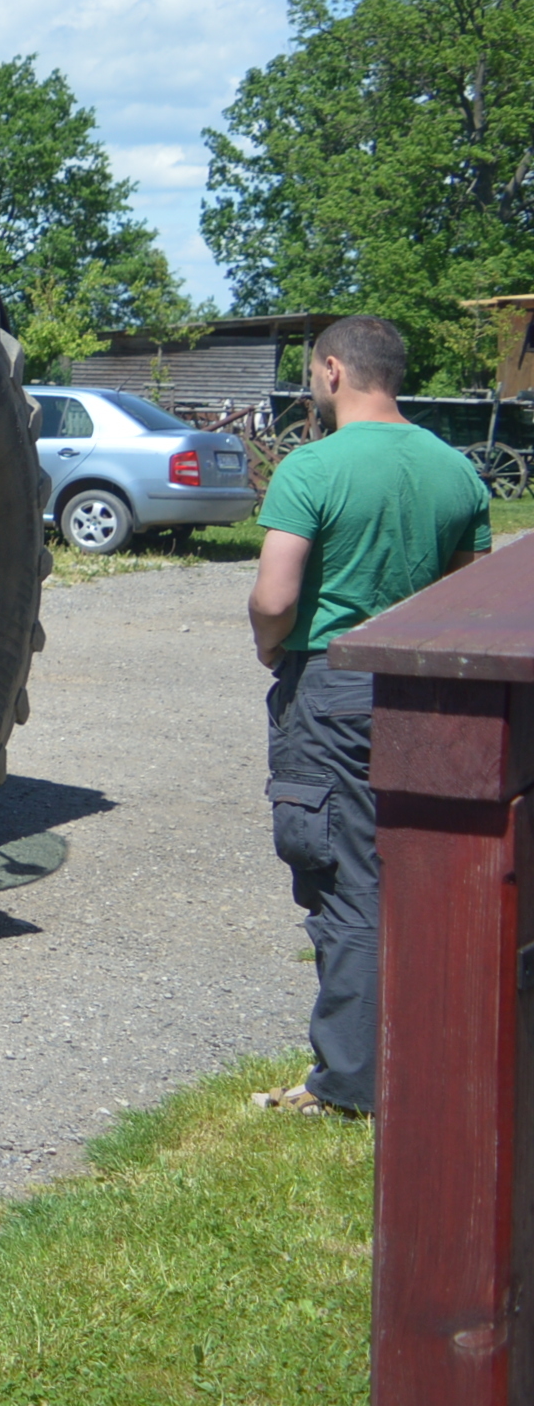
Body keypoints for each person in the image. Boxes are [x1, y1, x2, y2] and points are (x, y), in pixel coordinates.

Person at [245, 314, 487, 1118]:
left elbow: (276, 597)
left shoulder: (311, 469)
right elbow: (469, 602)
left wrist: (269, 647)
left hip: (333, 687)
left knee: (345, 882)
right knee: (419, 873)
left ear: (334, 371)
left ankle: (348, 1085)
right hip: (427, 692)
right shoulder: (458, 472)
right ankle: (422, 1050)